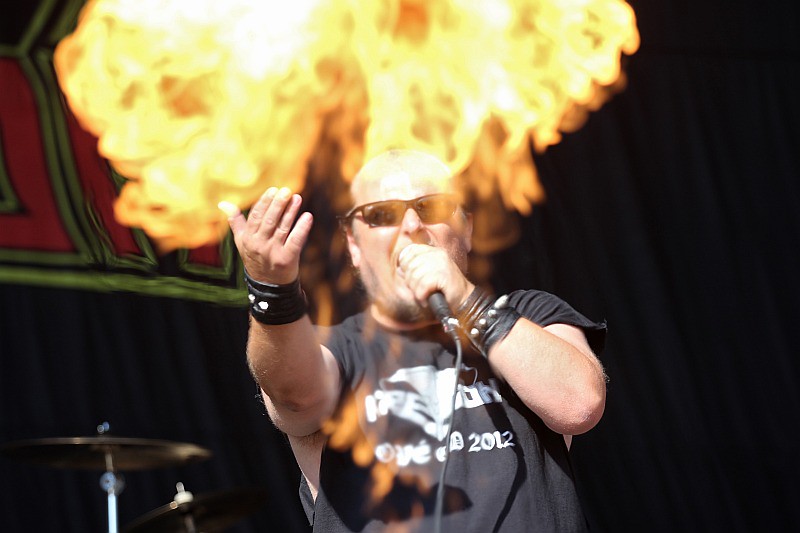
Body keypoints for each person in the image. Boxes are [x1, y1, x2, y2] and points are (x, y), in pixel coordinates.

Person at [221, 149, 607, 532]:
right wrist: (272, 292)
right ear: (354, 244)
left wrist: (467, 301)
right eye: (381, 215)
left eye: (432, 207)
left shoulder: (527, 314)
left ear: (466, 228)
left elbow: (579, 405)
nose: (411, 225)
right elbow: (294, 395)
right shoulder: (332, 348)